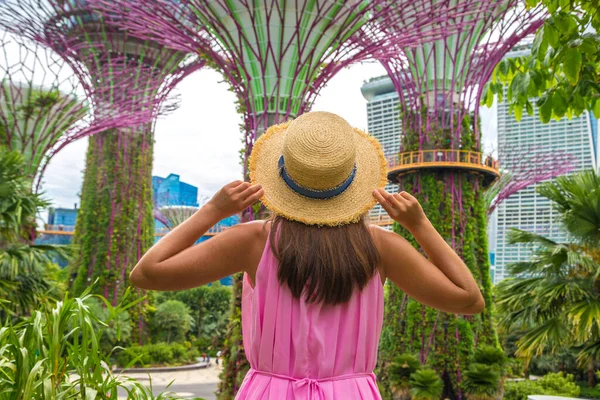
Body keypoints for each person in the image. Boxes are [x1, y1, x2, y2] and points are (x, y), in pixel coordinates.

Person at [129, 111, 485, 399]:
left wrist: (212, 210)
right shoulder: (382, 247)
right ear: (353, 179)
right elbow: (469, 299)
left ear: (283, 179)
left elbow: (147, 273)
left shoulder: (253, 242)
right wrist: (419, 224)